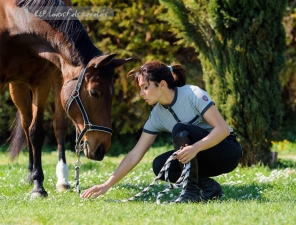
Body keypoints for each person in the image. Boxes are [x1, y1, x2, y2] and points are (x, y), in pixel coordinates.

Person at [81, 60, 242, 203]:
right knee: (160, 165)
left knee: (180, 128)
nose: (141, 93)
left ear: (162, 84)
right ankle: (209, 187)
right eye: (140, 88)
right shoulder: (157, 115)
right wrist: (107, 184)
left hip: (227, 152)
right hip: (201, 157)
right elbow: (135, 153)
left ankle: (191, 192)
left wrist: (195, 148)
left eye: (145, 87)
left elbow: (222, 130)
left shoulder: (193, 94)